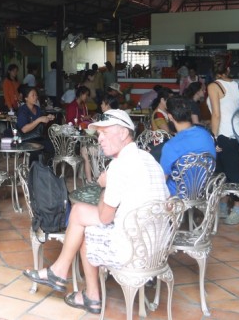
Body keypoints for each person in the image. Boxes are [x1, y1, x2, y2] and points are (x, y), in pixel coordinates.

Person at [23, 109, 168, 314]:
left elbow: (104, 216)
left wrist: (104, 186)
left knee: (86, 226)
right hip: (157, 246)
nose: (100, 139)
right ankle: (61, 272)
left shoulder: (119, 166)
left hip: (134, 250)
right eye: (99, 134)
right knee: (81, 214)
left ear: (124, 133)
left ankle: (85, 291)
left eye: (105, 133)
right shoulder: (148, 159)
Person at [207, 56, 239, 225]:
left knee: (230, 172)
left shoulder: (214, 86)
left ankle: (238, 208)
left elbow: (216, 114)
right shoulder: (236, 84)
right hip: (237, 132)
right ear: (228, 70)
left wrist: (213, 138)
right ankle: (223, 204)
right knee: (225, 170)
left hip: (223, 134)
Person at [160, 96, 216, 196]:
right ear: (190, 114)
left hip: (177, 195)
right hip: (204, 192)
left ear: (170, 116)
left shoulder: (171, 145)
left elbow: (162, 178)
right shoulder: (206, 135)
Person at [16, 86, 55, 163]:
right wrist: (39, 120)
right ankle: (34, 170)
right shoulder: (22, 110)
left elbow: (41, 125)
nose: (35, 97)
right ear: (26, 98)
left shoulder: (37, 109)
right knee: (35, 152)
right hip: (26, 139)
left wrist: (47, 119)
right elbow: (24, 130)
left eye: (36, 95)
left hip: (38, 137)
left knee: (52, 146)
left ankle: (47, 169)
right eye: (33, 95)